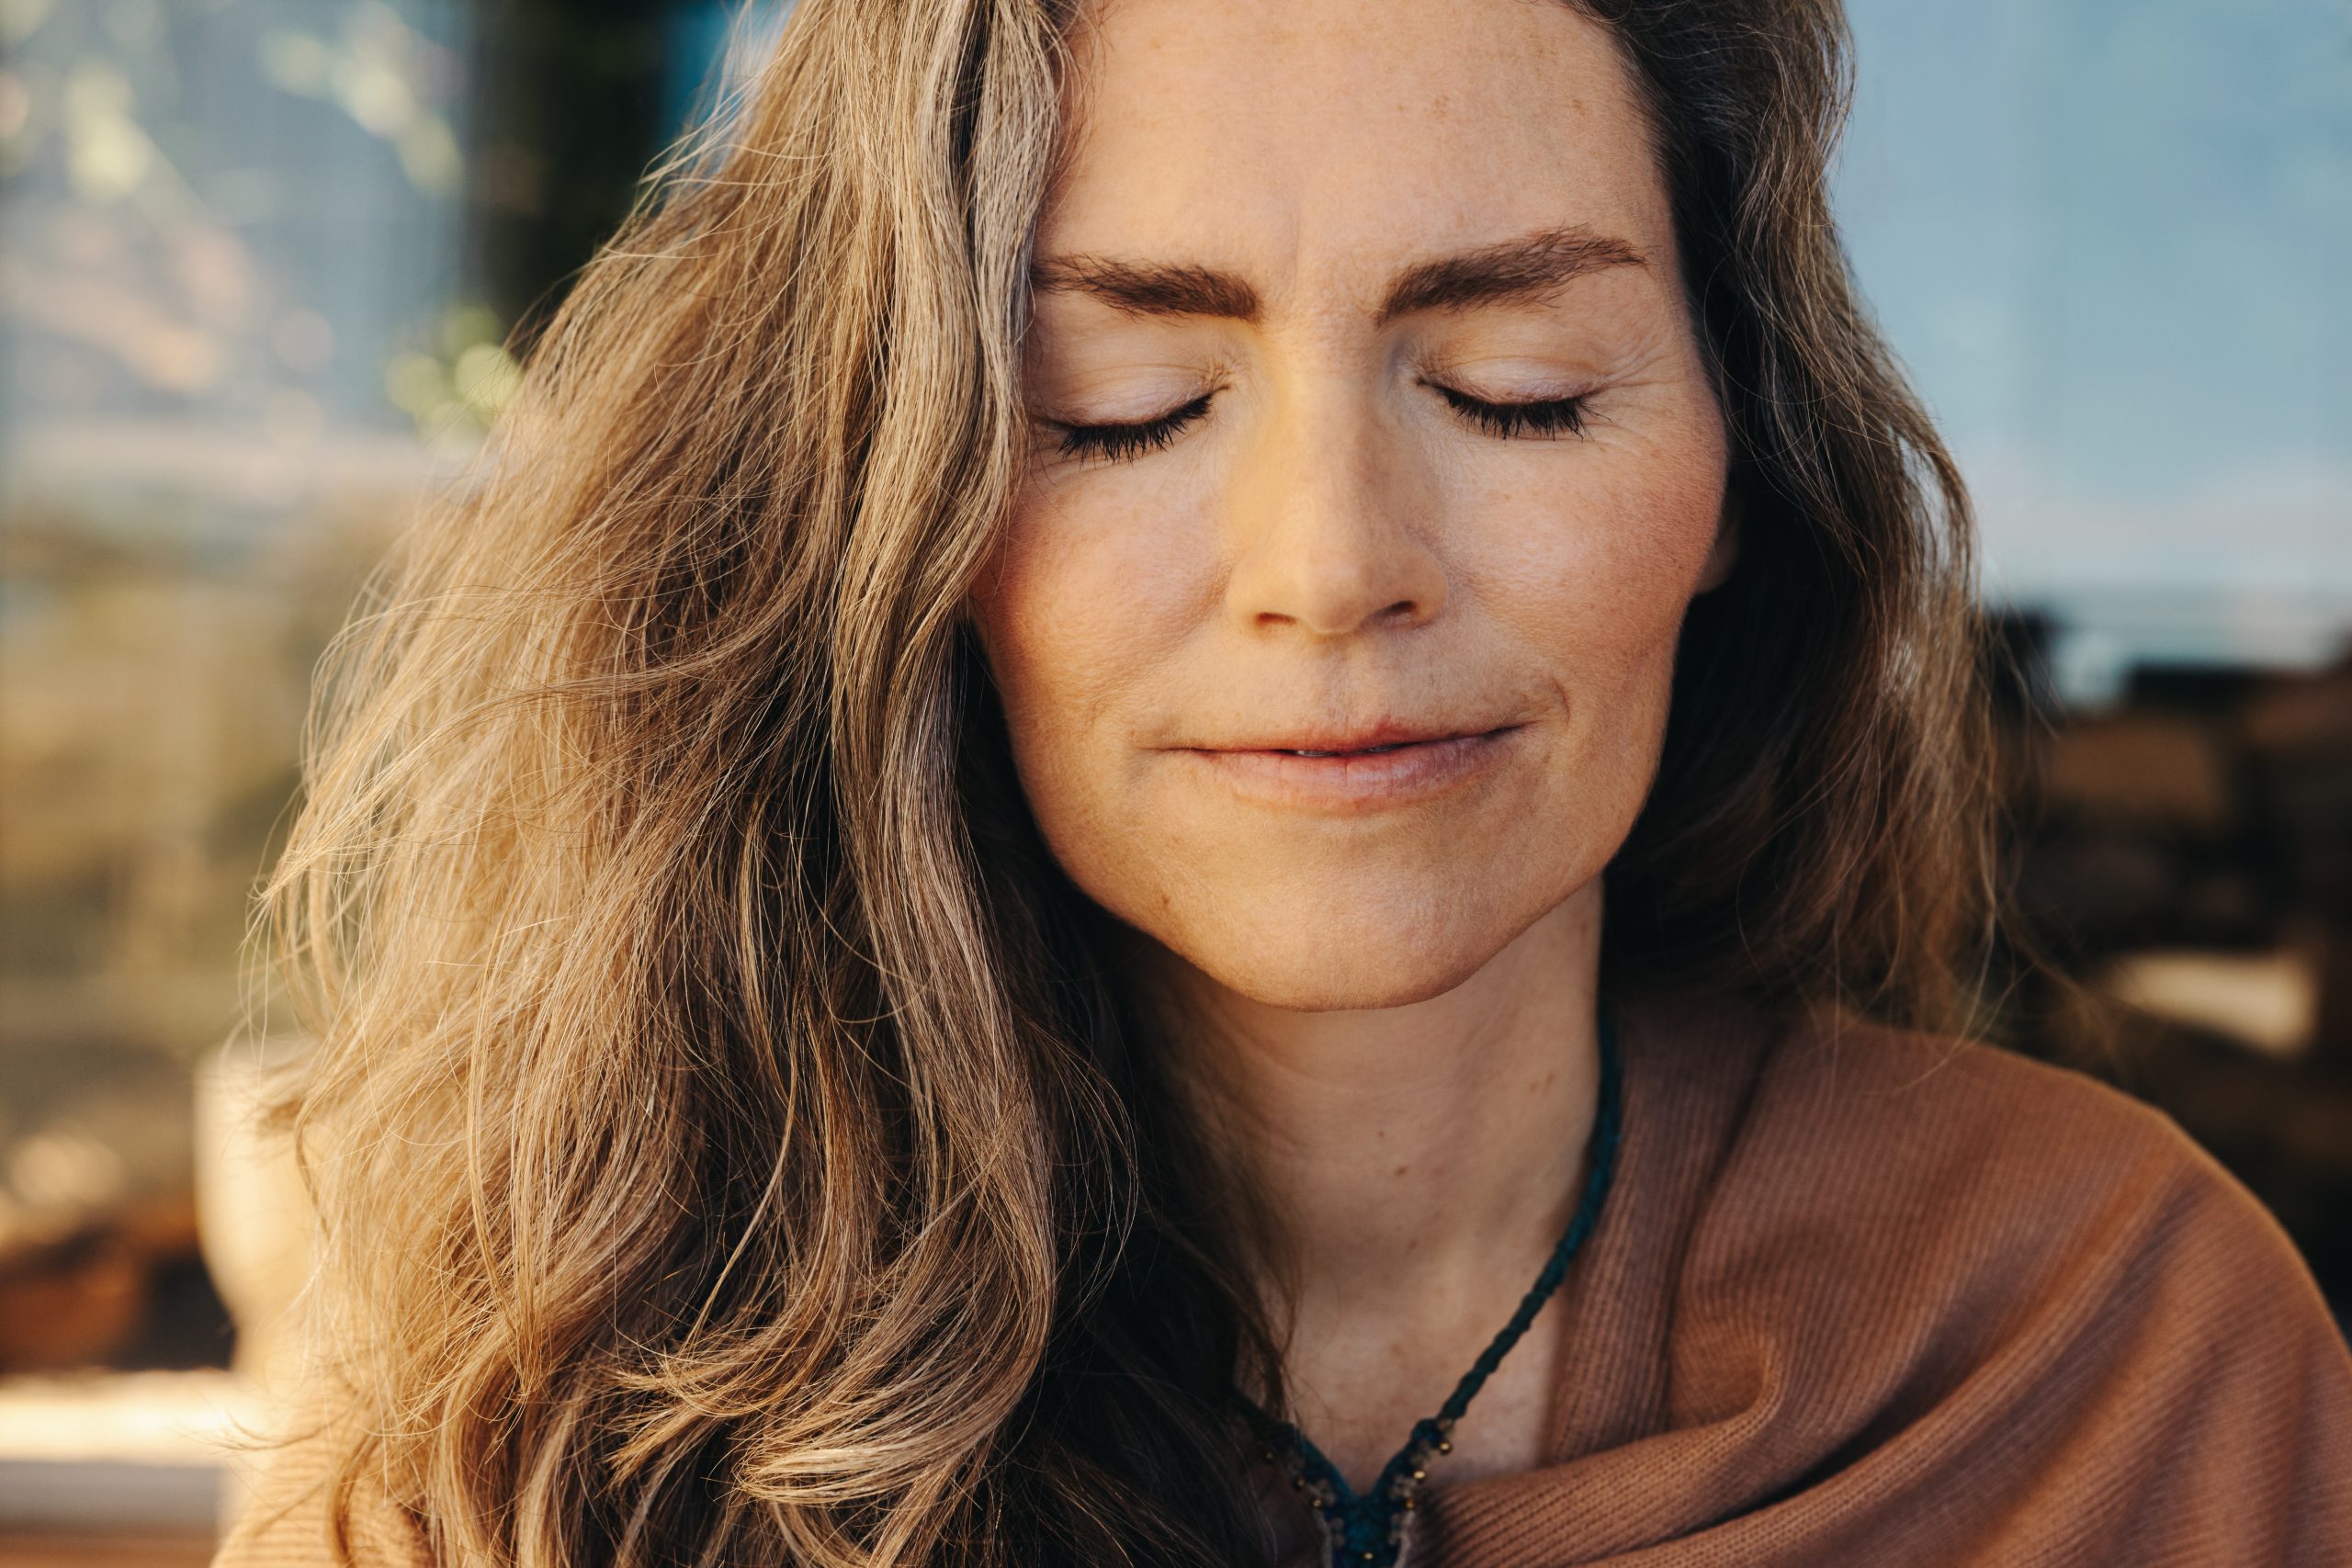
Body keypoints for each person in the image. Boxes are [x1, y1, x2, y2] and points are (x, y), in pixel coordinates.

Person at [209, 0, 2352, 1564]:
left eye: (1517, 391)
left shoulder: (2110, 1340)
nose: (1330, 566)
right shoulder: (524, 1431)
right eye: (1124, 404)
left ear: (1735, 463)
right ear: (895, 512)